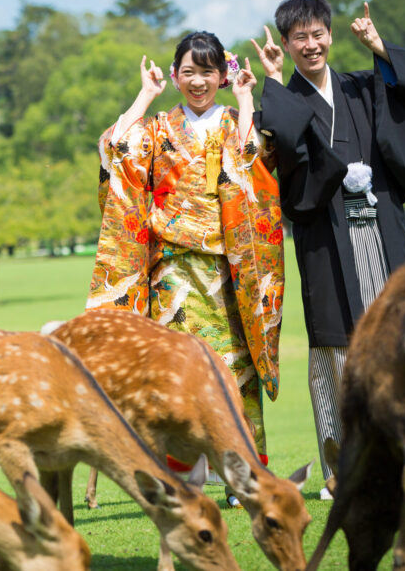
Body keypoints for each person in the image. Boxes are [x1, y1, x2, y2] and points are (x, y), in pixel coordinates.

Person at [251, 0, 405, 497]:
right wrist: (272, 81)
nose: (311, 45)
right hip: (326, 236)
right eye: (300, 38)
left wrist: (380, 48)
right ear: (286, 43)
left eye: (318, 34)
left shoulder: (362, 86)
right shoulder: (288, 97)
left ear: (331, 36)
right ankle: (342, 471)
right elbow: (282, 145)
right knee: (335, 347)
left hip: (380, 227)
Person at [87, 31, 285, 500]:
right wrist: (145, 95)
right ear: (175, 76)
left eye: (208, 72)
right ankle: (179, 477)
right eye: (189, 72)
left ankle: (242, 476)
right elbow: (116, 148)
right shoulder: (158, 127)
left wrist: (247, 98)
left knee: (235, 373)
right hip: (171, 274)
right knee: (172, 376)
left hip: (227, 272)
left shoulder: (234, 119)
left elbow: (252, 162)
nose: (198, 82)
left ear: (222, 75)